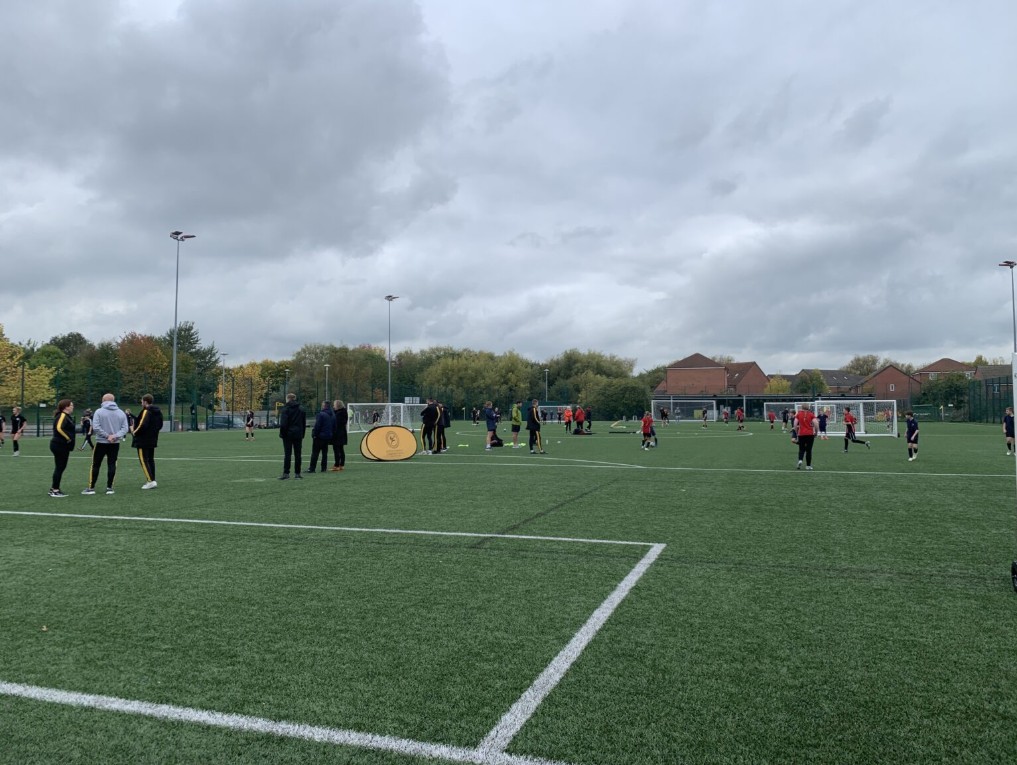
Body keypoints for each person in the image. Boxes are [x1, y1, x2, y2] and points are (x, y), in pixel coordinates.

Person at [82, 393, 130, 494]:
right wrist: (115, 436)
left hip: (101, 442)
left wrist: (107, 436)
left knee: (96, 464)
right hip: (115, 443)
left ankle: (91, 488)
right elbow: (125, 428)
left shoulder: (99, 412)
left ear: (103, 400)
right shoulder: (121, 412)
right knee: (112, 464)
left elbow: (96, 427)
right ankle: (109, 488)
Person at [131, 393, 163, 489]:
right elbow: (160, 425)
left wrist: (134, 432)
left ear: (145, 402)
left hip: (143, 439)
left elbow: (142, 424)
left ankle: (150, 481)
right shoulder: (158, 411)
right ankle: (152, 479)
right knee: (150, 460)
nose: (141, 403)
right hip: (152, 438)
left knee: (144, 460)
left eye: (141, 401)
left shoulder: (146, 411)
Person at [49, 399, 75, 497]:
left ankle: (54, 488)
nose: (73, 407)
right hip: (59, 444)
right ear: (66, 407)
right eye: (71, 405)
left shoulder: (67, 416)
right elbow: (59, 428)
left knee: (60, 467)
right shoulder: (62, 415)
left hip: (62, 445)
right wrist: (68, 438)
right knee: (60, 467)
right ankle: (55, 490)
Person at [278, 392, 307, 479]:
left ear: (288, 399)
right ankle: (297, 473)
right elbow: (303, 423)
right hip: (298, 434)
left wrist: (282, 434)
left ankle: (286, 473)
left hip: (288, 434)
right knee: (298, 454)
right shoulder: (301, 409)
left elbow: (283, 424)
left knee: (287, 454)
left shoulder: (285, 409)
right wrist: (302, 434)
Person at [307, 400, 334, 473]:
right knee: (324, 453)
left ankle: (312, 468)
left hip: (320, 436)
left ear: (324, 406)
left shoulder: (321, 414)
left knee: (315, 452)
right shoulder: (332, 414)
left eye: (322, 405)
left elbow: (318, 426)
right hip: (328, 436)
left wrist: (314, 434)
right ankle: (323, 468)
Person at [794, 405, 817, 470]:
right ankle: (808, 466)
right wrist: (816, 432)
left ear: (802, 408)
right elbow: (816, 423)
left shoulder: (798, 414)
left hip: (801, 434)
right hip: (810, 434)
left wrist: (796, 432)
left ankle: (800, 460)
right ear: (808, 408)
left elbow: (795, 424)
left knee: (801, 449)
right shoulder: (811, 414)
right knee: (809, 450)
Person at [330, 399, 349, 471]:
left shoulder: (339, 414)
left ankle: (337, 465)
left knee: (336, 449)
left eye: (334, 404)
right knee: (341, 449)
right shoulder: (343, 412)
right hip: (342, 433)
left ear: (337, 405)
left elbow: (335, 423)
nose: (333, 406)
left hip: (338, 433)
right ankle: (341, 464)